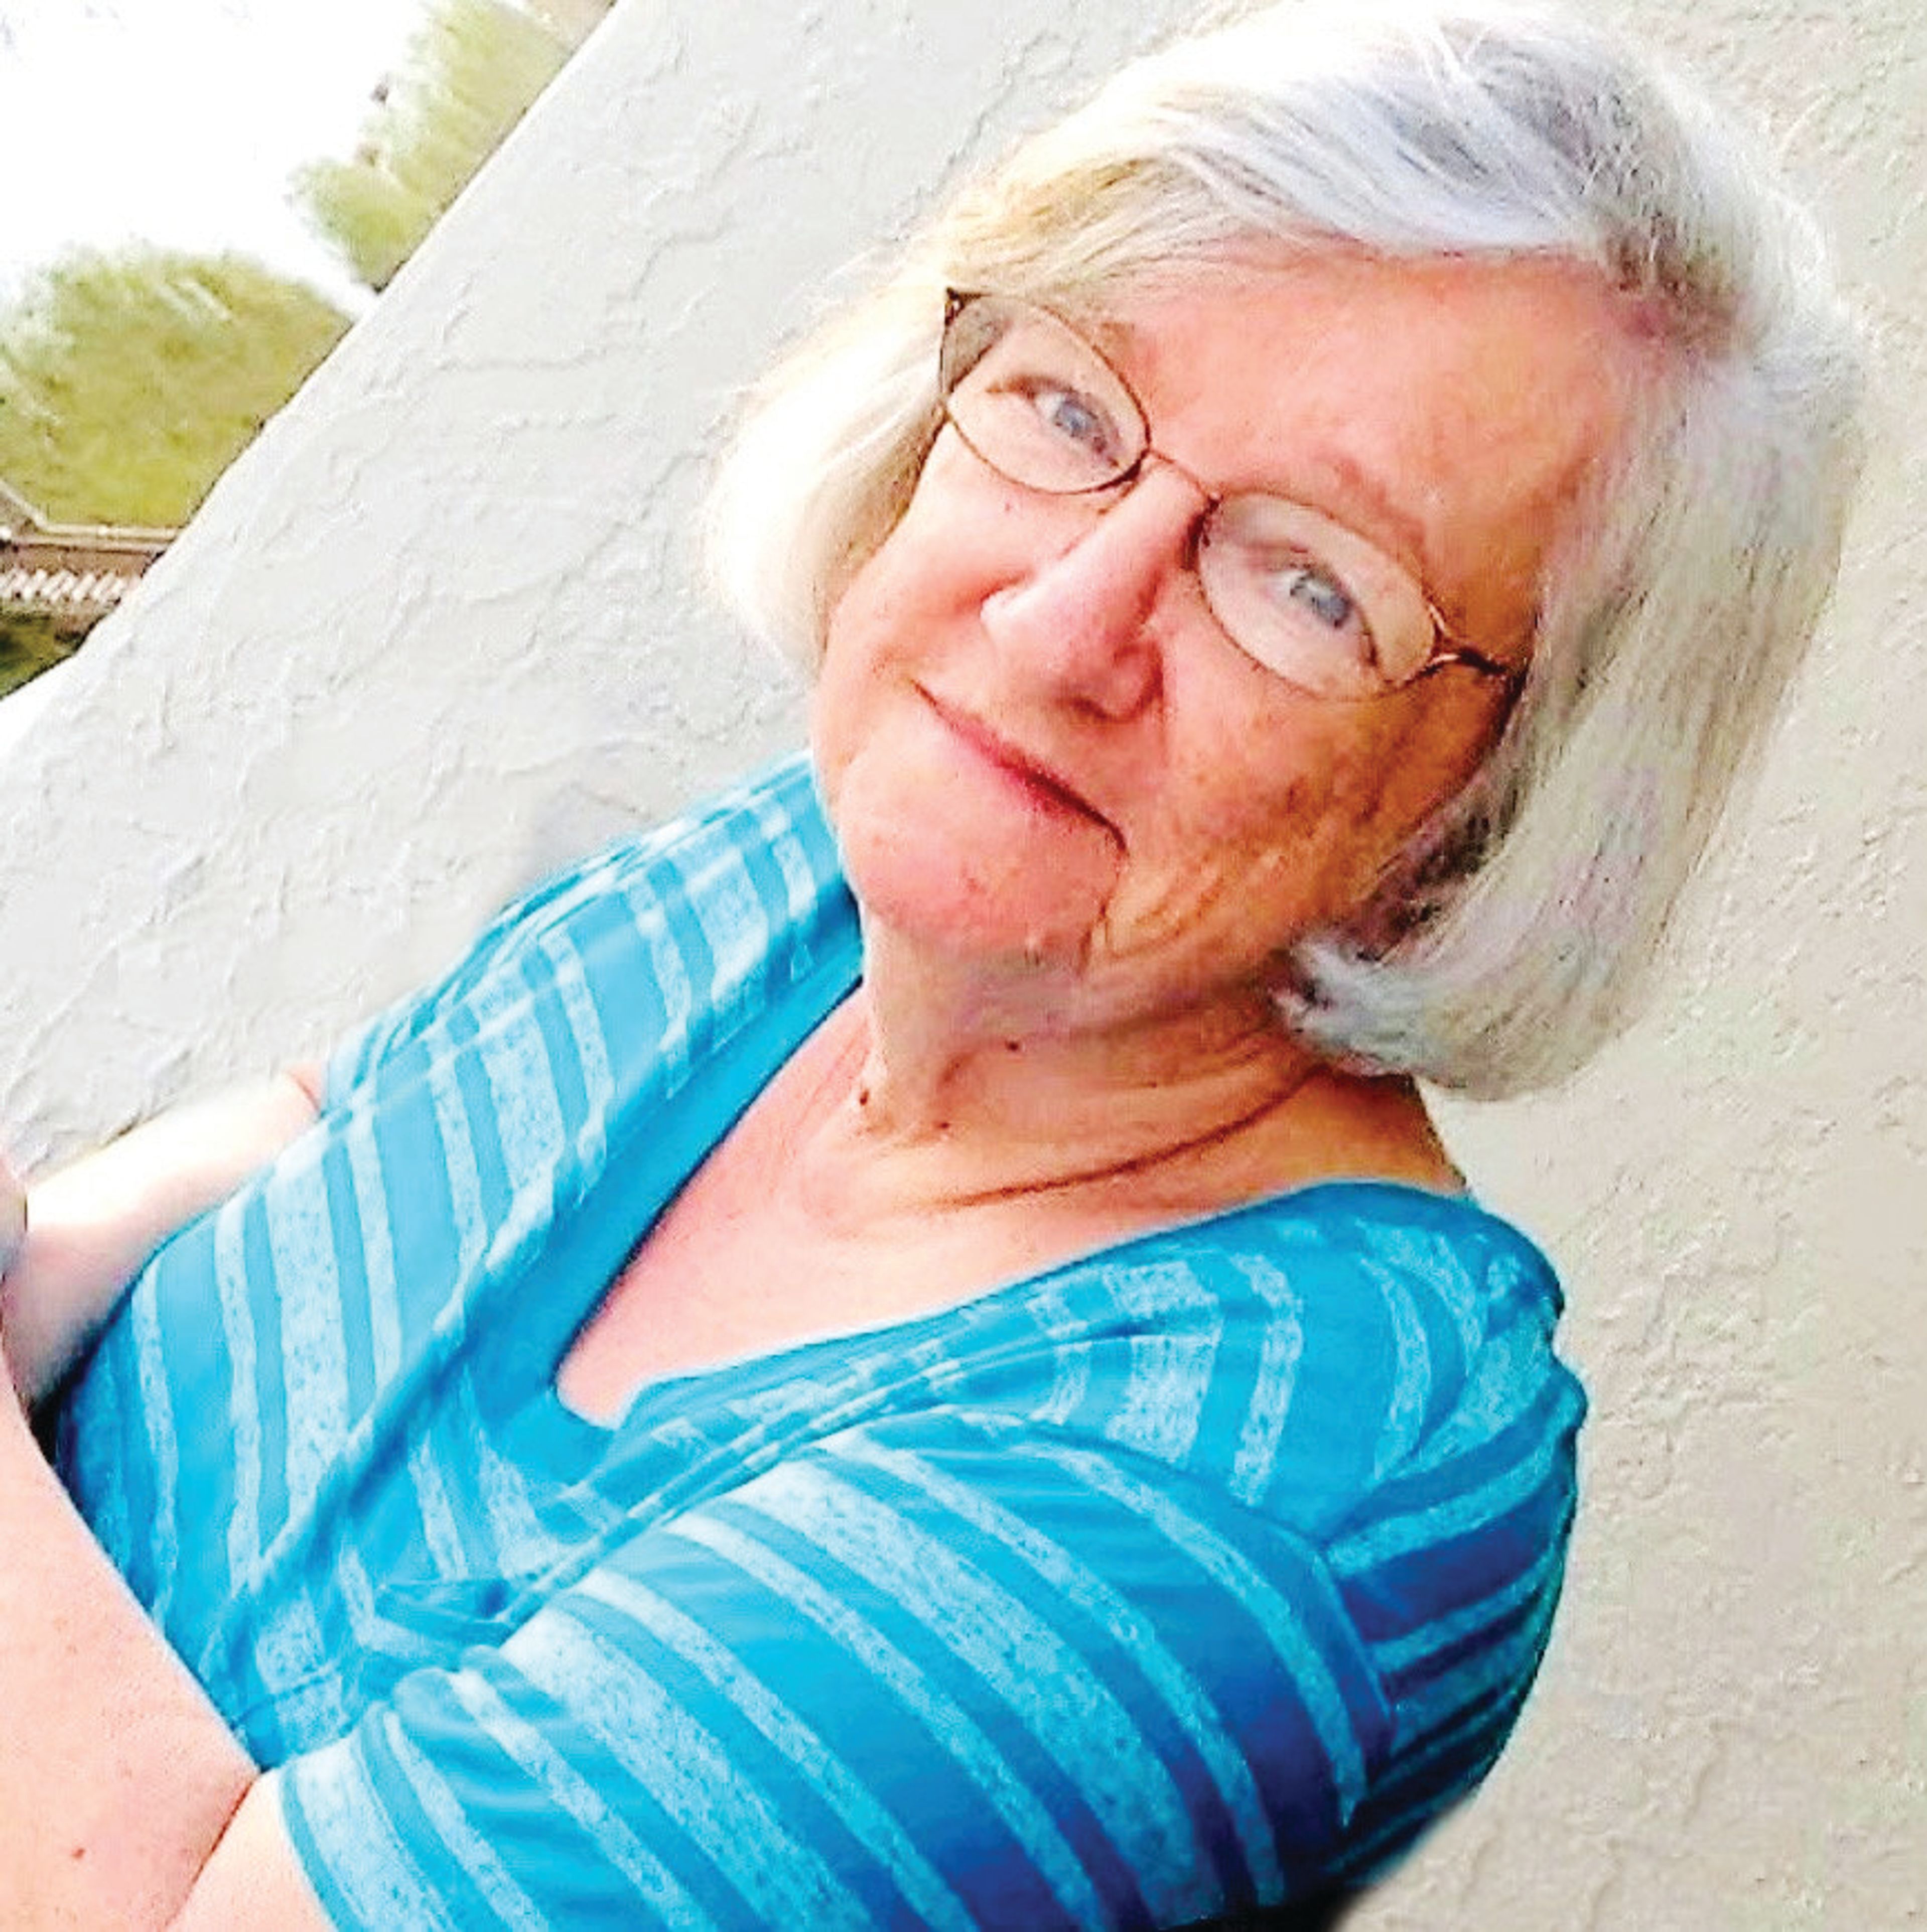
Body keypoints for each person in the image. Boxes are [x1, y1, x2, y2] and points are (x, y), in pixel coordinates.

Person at [0, 1, 1864, 1925]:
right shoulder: (827, 880)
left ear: (1497, 811)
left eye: (1313, 587)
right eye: (1071, 410)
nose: (1062, 624)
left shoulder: (1277, 1478)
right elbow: (340, 1118)